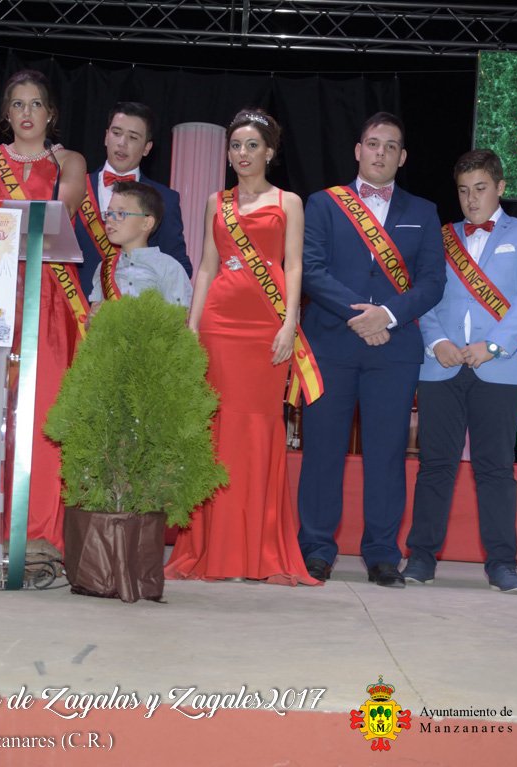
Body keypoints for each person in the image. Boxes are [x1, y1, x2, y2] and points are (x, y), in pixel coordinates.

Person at [165, 109, 316, 585]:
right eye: (236, 146)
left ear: (269, 152)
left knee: (257, 429)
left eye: (252, 145)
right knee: (218, 430)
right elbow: (206, 266)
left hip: (266, 324)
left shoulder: (289, 202)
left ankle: (257, 549)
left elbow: (294, 265)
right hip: (219, 322)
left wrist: (290, 322)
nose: (243, 153)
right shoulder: (217, 201)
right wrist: (193, 325)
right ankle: (214, 548)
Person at [295, 112, 446, 588]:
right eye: (373, 144)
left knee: (387, 455)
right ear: (358, 150)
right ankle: (315, 549)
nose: (380, 153)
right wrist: (362, 316)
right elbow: (311, 269)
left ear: (402, 157)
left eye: (390, 146)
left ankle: (381, 554)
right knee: (322, 452)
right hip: (331, 344)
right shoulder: (323, 204)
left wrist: (388, 315)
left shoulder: (423, 211)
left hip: (393, 350)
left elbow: (432, 282)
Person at [403, 149, 517, 594]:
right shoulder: (441, 236)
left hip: (500, 366)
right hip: (441, 364)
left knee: (496, 469)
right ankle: (421, 557)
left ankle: (502, 563)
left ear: (500, 188)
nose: (471, 199)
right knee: (435, 466)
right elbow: (423, 292)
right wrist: (437, 342)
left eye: (481, 189)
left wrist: (493, 346)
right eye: (464, 191)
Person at [0, 69, 87, 553]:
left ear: (51, 114)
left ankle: (37, 526)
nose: (27, 112)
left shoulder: (68, 161)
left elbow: (62, 213)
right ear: (6, 114)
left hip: (49, 295)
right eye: (18, 104)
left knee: (42, 410)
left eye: (36, 104)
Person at [75, 102, 190, 297]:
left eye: (133, 137)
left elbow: (178, 266)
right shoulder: (75, 188)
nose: (122, 143)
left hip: (137, 311)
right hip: (77, 307)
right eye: (116, 133)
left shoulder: (165, 199)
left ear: (147, 148)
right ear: (106, 136)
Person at [87, 181, 191, 310]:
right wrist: (93, 316)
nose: (110, 219)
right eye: (109, 213)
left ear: (146, 223)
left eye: (121, 214)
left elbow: (180, 317)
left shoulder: (169, 268)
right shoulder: (104, 268)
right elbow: (93, 317)